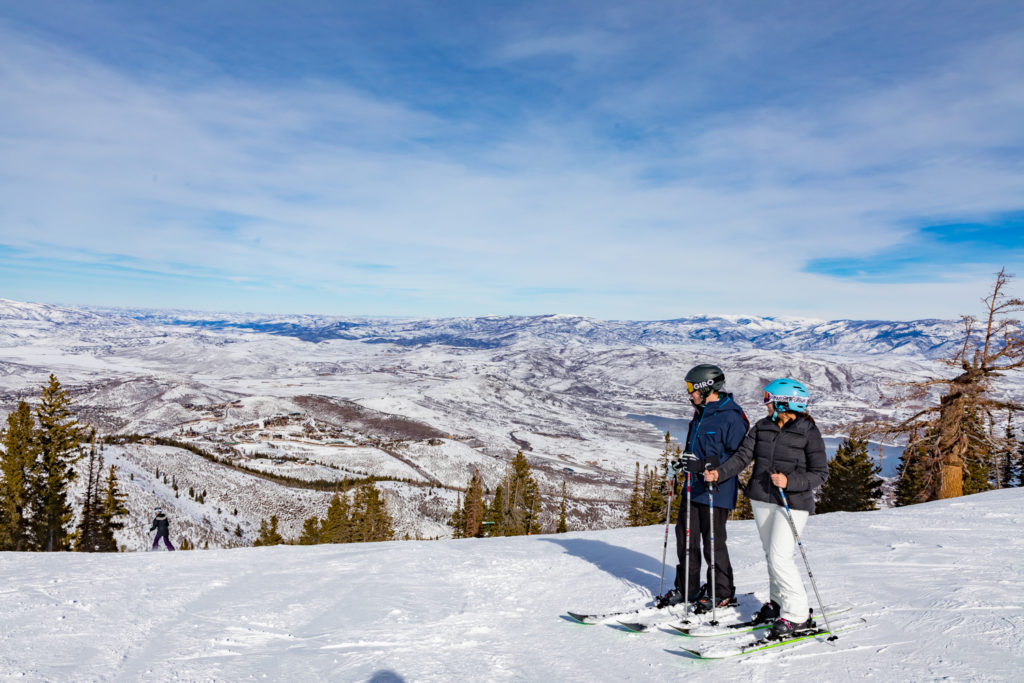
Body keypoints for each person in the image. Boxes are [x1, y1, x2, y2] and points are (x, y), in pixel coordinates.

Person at [704, 378, 828, 639]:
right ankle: (777, 603)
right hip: (762, 498)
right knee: (771, 554)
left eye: (768, 399)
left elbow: (820, 473)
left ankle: (798, 616)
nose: (766, 404)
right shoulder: (762, 427)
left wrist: (790, 481)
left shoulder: (808, 431)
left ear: (783, 402)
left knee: (780, 556)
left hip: (792, 503)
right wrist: (719, 473)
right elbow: (741, 457)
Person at [656, 364, 748, 613]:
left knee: (712, 542)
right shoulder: (700, 414)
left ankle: (722, 592)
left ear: (706, 388)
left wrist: (705, 465)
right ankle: (689, 588)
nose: (689, 394)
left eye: (691, 388)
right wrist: (681, 465)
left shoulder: (732, 416)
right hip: (692, 487)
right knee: (685, 539)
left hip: (716, 490)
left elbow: (739, 456)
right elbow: (693, 451)